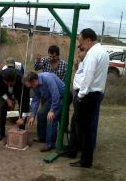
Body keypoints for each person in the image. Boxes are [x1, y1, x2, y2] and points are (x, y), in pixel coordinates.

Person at [70, 28, 109, 168]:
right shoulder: (103, 52)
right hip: (96, 94)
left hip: (88, 96)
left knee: (84, 129)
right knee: (88, 128)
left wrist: (80, 95)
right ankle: (86, 158)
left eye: (81, 41)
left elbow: (88, 76)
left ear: (88, 40)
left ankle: (85, 161)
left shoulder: (92, 54)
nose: (80, 44)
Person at [24, 71, 65, 152]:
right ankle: (42, 137)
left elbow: (55, 94)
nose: (32, 88)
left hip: (63, 97)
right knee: (41, 114)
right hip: (51, 99)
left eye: (31, 86)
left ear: (35, 80)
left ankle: (50, 144)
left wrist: (52, 110)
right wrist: (32, 116)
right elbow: (35, 100)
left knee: (51, 118)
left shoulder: (47, 78)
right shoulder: (35, 86)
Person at [62, 46, 87, 158]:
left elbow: (86, 79)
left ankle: (73, 150)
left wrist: (80, 96)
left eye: (81, 51)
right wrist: (76, 65)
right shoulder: (82, 62)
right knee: (75, 122)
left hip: (81, 94)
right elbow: (79, 74)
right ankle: (74, 147)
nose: (78, 54)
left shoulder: (88, 62)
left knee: (76, 123)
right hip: (78, 93)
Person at [0, 68, 30, 141]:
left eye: (11, 83)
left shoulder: (22, 82)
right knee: (2, 107)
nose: (9, 85)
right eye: (7, 83)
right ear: (4, 80)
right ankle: (1, 132)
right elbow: (0, 92)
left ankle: (21, 130)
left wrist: (22, 118)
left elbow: (25, 103)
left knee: (23, 107)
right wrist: (8, 100)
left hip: (18, 91)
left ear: (15, 79)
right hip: (5, 93)